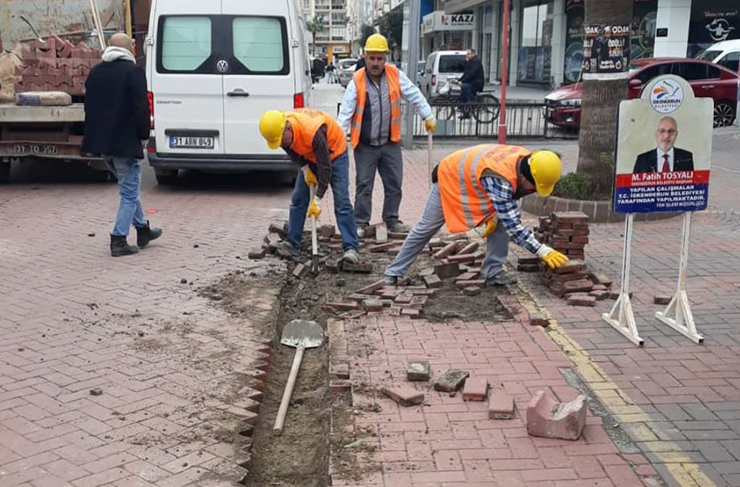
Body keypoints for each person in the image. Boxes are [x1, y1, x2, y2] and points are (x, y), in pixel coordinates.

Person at [383, 145, 568, 286]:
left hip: (475, 181)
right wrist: (542, 250)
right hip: (449, 177)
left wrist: (495, 216)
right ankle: (394, 271)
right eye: (534, 187)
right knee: (427, 227)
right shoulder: (501, 179)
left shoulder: (530, 160)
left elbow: (507, 206)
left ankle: (493, 271)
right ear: (525, 177)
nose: (534, 191)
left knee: (501, 222)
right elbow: (514, 226)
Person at [338, 33, 436, 237]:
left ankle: (391, 219)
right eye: (372, 58)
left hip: (390, 143)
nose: (375, 63)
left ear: (385, 58)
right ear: (365, 57)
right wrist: (337, 139)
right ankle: (360, 222)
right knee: (364, 185)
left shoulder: (395, 75)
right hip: (365, 145)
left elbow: (414, 94)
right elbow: (345, 114)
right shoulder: (357, 81)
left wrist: (427, 114)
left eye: (379, 58)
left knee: (394, 184)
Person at [82, 33, 161, 257]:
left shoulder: (96, 72)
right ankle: (118, 240)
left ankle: (143, 230)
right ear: (130, 49)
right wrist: (144, 135)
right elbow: (141, 108)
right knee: (129, 193)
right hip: (125, 144)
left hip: (103, 144)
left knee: (129, 189)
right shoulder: (133, 72)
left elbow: (89, 107)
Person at [259, 108, 360, 264]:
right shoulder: (279, 130)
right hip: (310, 155)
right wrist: (305, 168)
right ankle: (292, 243)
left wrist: (318, 200)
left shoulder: (313, 132)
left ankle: (351, 248)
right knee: (298, 199)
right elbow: (291, 151)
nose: (281, 144)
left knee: (342, 202)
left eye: (281, 140)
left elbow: (325, 168)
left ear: (287, 128)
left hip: (335, 154)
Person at [458, 48, 485, 119]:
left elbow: (471, 74)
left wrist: (463, 81)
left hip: (477, 82)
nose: (466, 55)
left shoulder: (476, 61)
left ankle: (471, 103)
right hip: (472, 82)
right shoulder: (470, 61)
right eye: (466, 54)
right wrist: (459, 80)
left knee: (465, 87)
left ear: (473, 54)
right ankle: (465, 110)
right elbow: (466, 73)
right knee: (463, 92)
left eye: (468, 54)